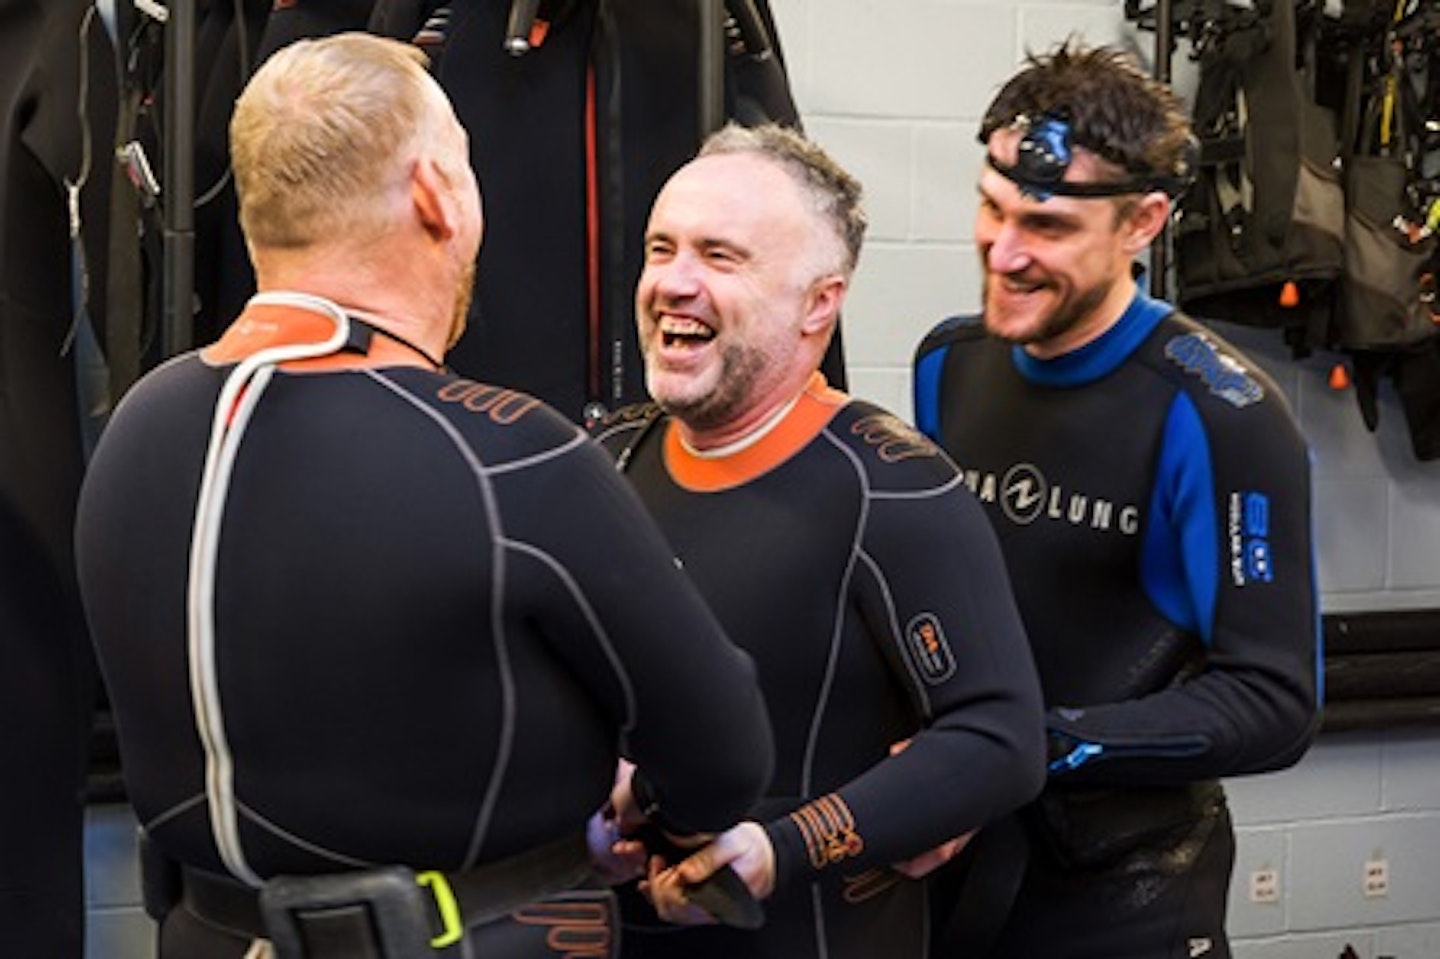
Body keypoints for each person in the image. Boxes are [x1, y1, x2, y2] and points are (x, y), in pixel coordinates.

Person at [74, 32, 774, 959]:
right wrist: (645, 806)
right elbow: (724, 752)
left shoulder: (136, 425)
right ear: (438, 195)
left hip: (202, 933)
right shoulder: (509, 451)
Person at [589, 122, 1046, 959]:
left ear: (819, 303)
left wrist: (776, 851)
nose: (673, 283)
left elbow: (1000, 737)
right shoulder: (607, 460)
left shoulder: (892, 486)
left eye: (720, 257)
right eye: (662, 249)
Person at [912, 43, 1322, 959]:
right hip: (959, 871)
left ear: (1142, 221)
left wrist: (1031, 744)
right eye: (992, 207)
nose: (1004, 251)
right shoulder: (949, 362)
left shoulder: (1223, 414)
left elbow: (1275, 700)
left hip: (1126, 891)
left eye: (1047, 227)